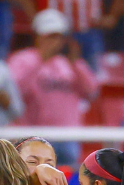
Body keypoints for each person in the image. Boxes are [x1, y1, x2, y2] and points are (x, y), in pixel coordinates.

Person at [8, 9, 98, 165]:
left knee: (65, 184)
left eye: (58, 37)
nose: (55, 42)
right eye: (50, 36)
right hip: (33, 137)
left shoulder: (69, 63)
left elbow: (92, 91)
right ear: (37, 37)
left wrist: (76, 62)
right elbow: (13, 92)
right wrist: (41, 58)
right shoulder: (23, 59)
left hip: (68, 137)